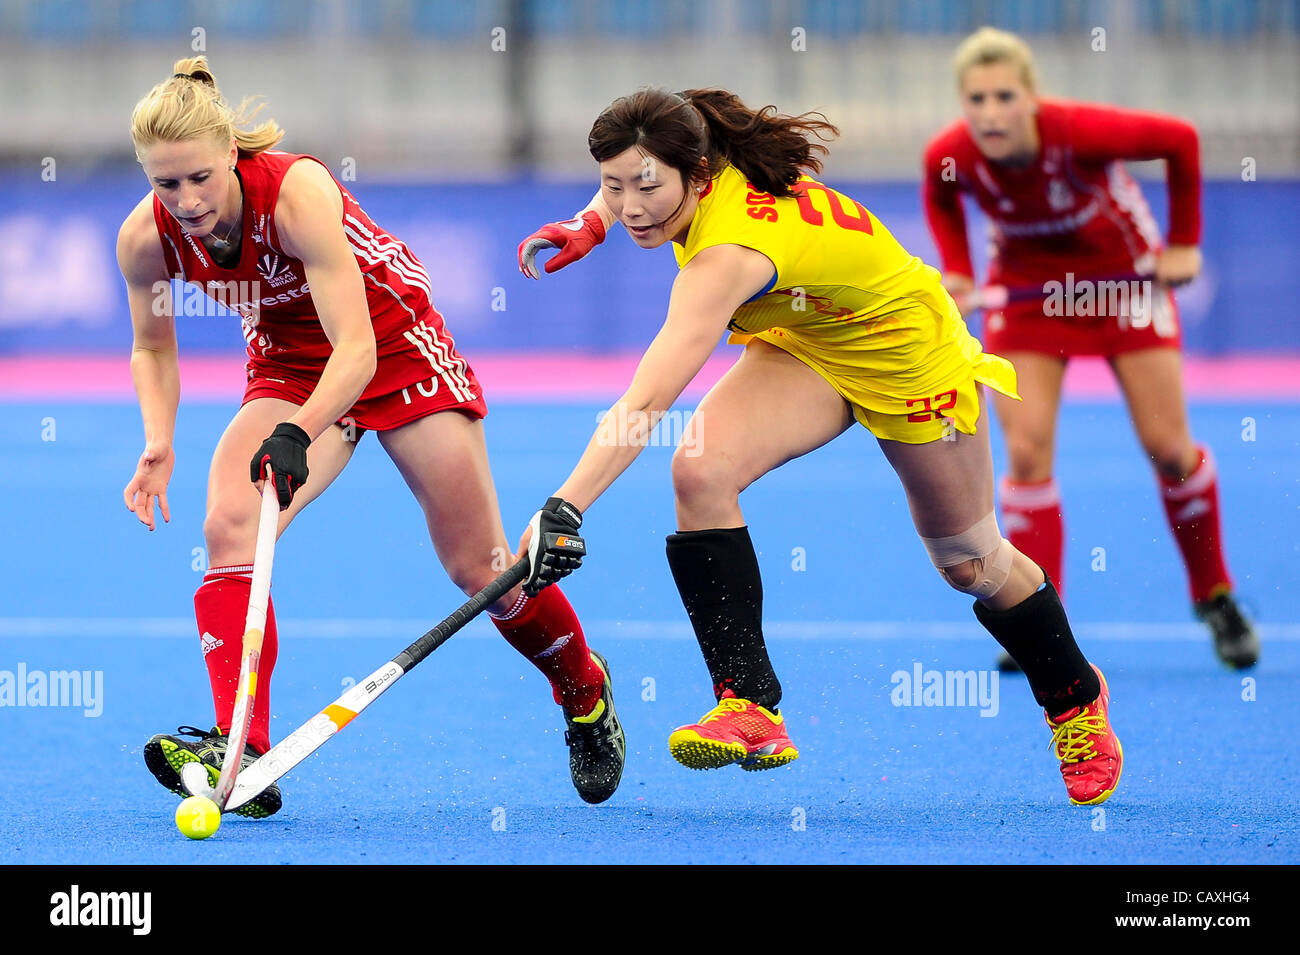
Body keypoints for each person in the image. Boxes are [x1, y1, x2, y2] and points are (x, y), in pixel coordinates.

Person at [516, 87, 1122, 805]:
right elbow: (634, 170)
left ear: (699, 174)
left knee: (972, 561)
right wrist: (592, 220)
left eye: (646, 189)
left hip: (904, 353)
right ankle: (750, 705)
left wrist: (565, 507)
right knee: (701, 470)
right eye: (615, 187)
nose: (632, 206)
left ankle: (1074, 696)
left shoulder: (726, 256)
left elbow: (646, 402)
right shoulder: (683, 140)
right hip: (808, 338)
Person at [119, 57, 624, 816]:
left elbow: (356, 348)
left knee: (481, 567)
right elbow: (152, 346)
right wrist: (159, 439)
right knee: (229, 525)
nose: (187, 201)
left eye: (199, 178)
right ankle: (243, 747)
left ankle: (584, 688)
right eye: (166, 184)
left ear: (231, 154)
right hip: (291, 363)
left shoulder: (296, 195)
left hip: (393, 348)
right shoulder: (145, 239)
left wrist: (299, 431)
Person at [923, 26, 1258, 671]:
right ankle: (1039, 622)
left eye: (1004, 97)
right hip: (1031, 297)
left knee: (1170, 451)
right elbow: (940, 195)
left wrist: (1184, 242)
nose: (990, 114)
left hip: (1120, 286)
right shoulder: (951, 154)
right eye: (977, 100)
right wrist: (959, 269)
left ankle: (1215, 595)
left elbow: (1180, 141)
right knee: (1026, 455)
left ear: (1031, 97)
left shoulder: (1080, 132)